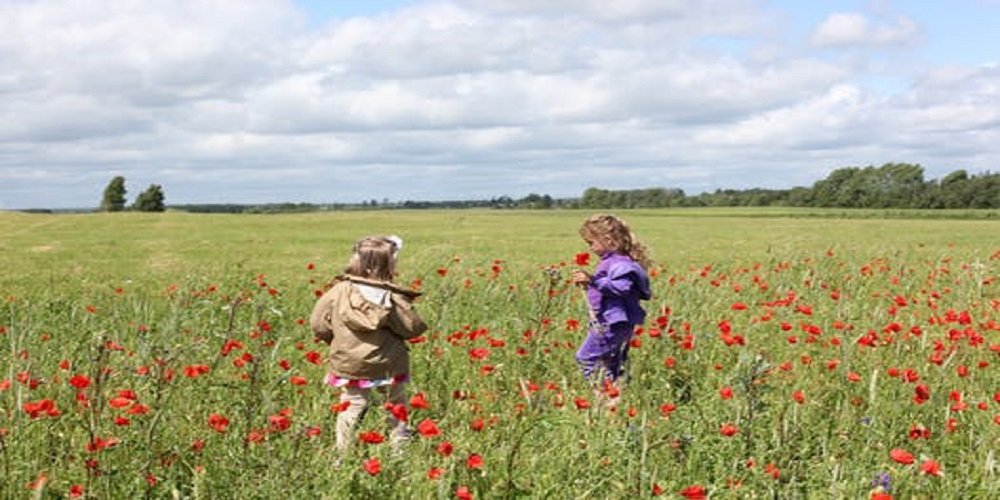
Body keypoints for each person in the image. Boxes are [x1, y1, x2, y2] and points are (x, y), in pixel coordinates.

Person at [310, 235, 427, 456]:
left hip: (349, 362)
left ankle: (342, 455)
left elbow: (318, 324)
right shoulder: (391, 296)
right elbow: (412, 328)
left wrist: (336, 341)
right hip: (388, 362)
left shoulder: (338, 291)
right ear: (388, 264)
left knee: (351, 405)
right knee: (396, 403)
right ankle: (398, 449)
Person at [570, 214, 652, 408]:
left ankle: (606, 397)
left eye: (591, 242)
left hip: (612, 323)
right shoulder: (614, 261)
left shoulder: (621, 264)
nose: (590, 248)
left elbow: (622, 287)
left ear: (607, 240)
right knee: (611, 362)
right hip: (614, 322)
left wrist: (593, 280)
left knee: (586, 358)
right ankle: (616, 400)